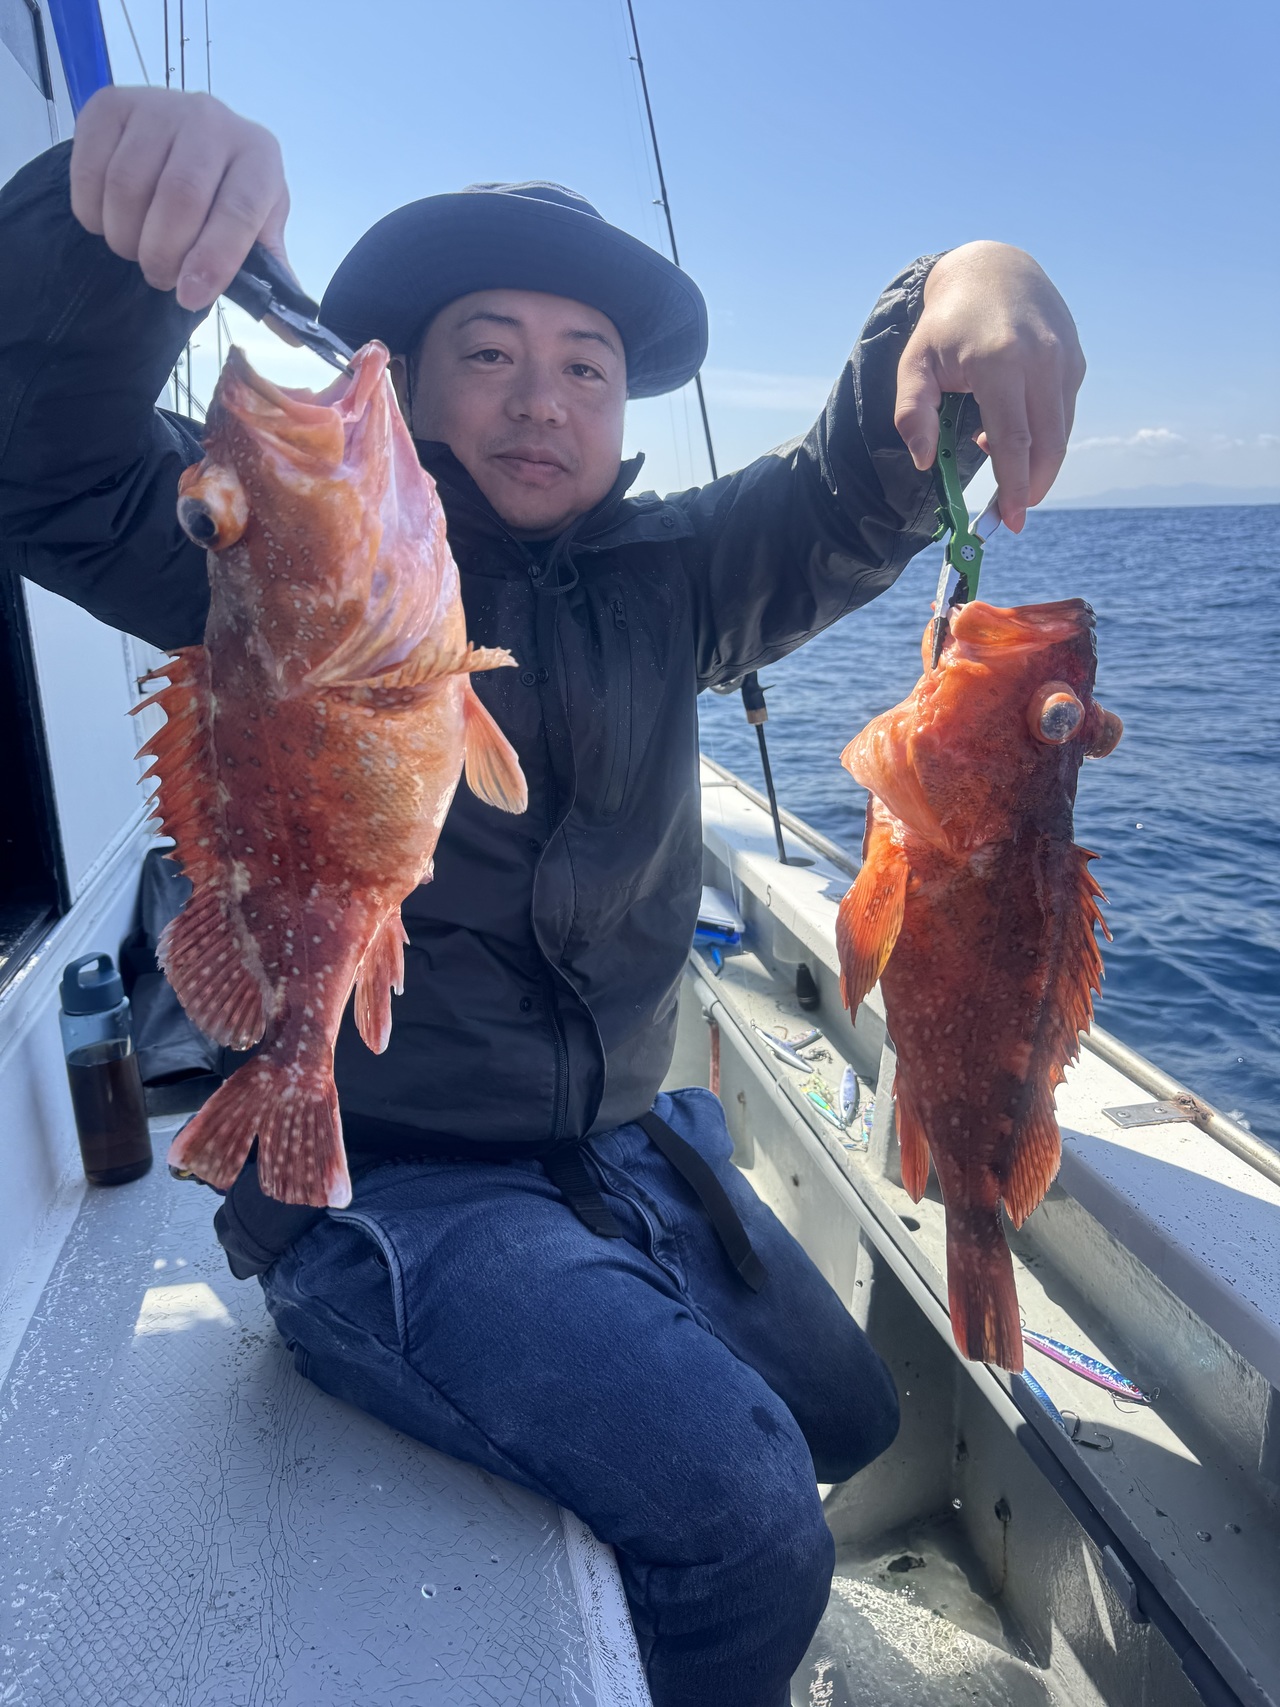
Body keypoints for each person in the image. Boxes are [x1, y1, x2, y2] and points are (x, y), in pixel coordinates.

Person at [0, 86, 1084, 1707]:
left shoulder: (677, 578)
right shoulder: (296, 551)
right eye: (490, 352)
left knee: (852, 1422)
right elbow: (47, 459)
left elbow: (852, 489)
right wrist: (99, 235)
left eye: (585, 367)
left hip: (619, 1147)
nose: (539, 398)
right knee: (747, 1524)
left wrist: (965, 286)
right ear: (407, 379)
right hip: (392, 1179)